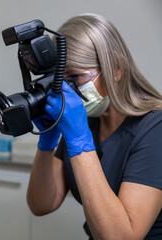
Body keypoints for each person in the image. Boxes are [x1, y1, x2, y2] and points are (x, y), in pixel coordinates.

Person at [27, 13, 162, 240]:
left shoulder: (154, 128)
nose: (64, 91)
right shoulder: (85, 121)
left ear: (116, 68)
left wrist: (80, 140)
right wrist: (47, 142)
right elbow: (42, 203)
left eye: (75, 78)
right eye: (59, 80)